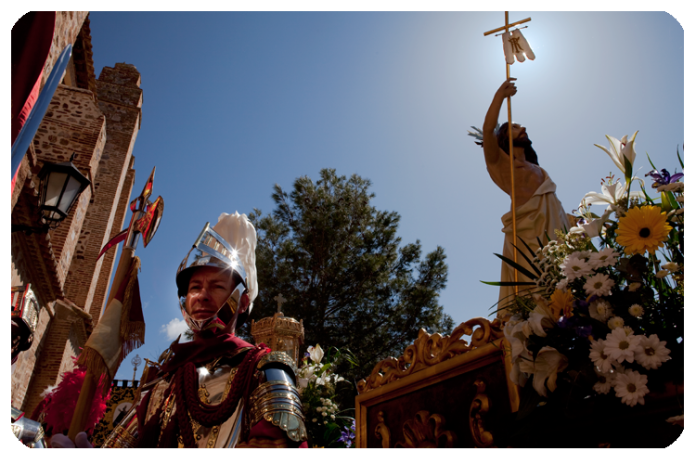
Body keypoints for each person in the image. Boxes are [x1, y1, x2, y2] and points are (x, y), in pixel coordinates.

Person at [93, 212, 308, 449]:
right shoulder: (164, 381)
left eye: (217, 286)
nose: (202, 296)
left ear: (243, 302)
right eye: (195, 287)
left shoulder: (265, 369)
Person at [481, 79, 572, 315]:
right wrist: (500, 96)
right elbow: (488, 131)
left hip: (554, 235)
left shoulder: (538, 169)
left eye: (521, 126)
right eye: (514, 127)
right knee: (533, 293)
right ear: (503, 138)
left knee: (564, 287)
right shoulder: (501, 165)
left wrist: (573, 221)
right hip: (526, 236)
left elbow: (553, 206)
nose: (522, 128)